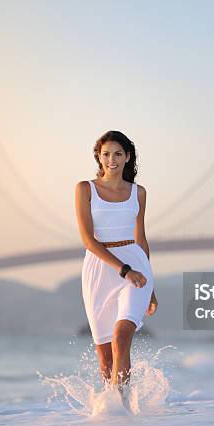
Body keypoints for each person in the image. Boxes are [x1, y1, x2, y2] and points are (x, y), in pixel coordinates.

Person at [74, 130, 158, 397]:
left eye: (118, 154)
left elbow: (141, 239)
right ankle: (116, 409)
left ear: (127, 157)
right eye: (106, 154)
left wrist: (150, 286)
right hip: (100, 270)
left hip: (135, 267)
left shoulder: (139, 193)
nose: (112, 159)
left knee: (122, 337)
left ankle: (118, 410)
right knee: (106, 358)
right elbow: (89, 240)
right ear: (99, 157)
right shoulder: (85, 189)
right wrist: (123, 269)